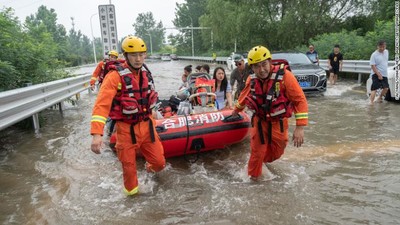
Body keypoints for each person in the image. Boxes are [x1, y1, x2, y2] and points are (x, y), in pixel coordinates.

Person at [90, 35, 166, 196]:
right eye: (133, 55)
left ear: (145, 55)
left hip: (147, 127)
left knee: (159, 163)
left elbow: (149, 96)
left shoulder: (146, 72)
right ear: (125, 56)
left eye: (141, 54)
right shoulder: (114, 76)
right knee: (130, 173)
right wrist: (97, 134)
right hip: (126, 130)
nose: (138, 59)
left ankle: (148, 170)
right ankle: (132, 202)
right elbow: (101, 105)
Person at [231, 45, 308, 181]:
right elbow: (243, 97)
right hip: (259, 122)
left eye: (264, 64)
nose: (261, 70)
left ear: (270, 61)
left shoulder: (285, 77)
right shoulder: (252, 79)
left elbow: (300, 100)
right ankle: (253, 181)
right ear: (252, 68)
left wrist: (300, 127)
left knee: (277, 152)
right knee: (257, 153)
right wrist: (235, 111)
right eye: (257, 66)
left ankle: (261, 163)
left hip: (278, 122)